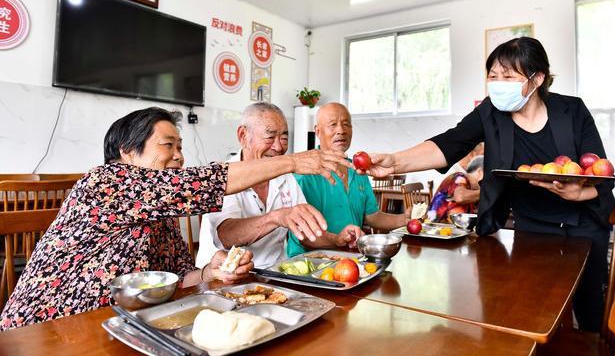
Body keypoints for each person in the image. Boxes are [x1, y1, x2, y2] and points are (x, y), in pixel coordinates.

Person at [0, 107, 350, 330]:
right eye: (168, 146)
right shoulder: (105, 181)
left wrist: (212, 272)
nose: (179, 156)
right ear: (127, 152)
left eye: (181, 147)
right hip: (47, 328)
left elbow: (181, 277)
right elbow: (200, 183)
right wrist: (293, 161)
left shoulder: (160, 212)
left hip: (122, 325)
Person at [363, 37, 615, 332]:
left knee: (590, 311)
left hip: (584, 225)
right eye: (493, 76)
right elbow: (448, 144)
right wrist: (395, 160)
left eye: (508, 77)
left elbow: (601, 173)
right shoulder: (490, 112)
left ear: (537, 79)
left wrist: (579, 193)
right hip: (531, 228)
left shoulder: (571, 110)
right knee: (532, 307)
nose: (497, 84)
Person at [197, 103, 326, 269]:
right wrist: (275, 217)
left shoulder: (285, 177)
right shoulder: (224, 176)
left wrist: (338, 239)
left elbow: (305, 229)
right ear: (243, 135)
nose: (278, 147)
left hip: (274, 272)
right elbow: (226, 237)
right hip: (222, 274)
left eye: (284, 138)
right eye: (270, 137)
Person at [287, 102, 410, 257]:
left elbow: (373, 217)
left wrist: (406, 219)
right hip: (311, 261)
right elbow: (303, 233)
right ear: (317, 131)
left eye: (346, 124)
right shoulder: (304, 174)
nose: (341, 130)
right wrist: (336, 239)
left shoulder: (358, 170)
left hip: (349, 257)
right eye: (333, 124)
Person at [429, 155, 483, 223]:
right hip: (437, 226)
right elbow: (460, 197)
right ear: (480, 172)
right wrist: (487, 191)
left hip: (454, 226)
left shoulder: (473, 189)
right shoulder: (460, 176)